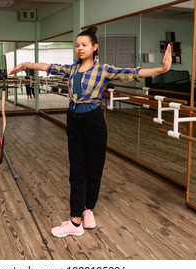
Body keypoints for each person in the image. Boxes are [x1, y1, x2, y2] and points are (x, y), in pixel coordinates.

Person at [9, 26, 172, 238]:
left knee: (94, 169)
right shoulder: (72, 69)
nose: (80, 48)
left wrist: (161, 70)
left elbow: (131, 73)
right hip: (74, 120)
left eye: (84, 45)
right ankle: (75, 220)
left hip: (93, 121)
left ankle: (87, 210)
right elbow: (49, 66)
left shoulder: (103, 70)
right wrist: (25, 64)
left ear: (95, 47)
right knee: (77, 170)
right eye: (77, 45)